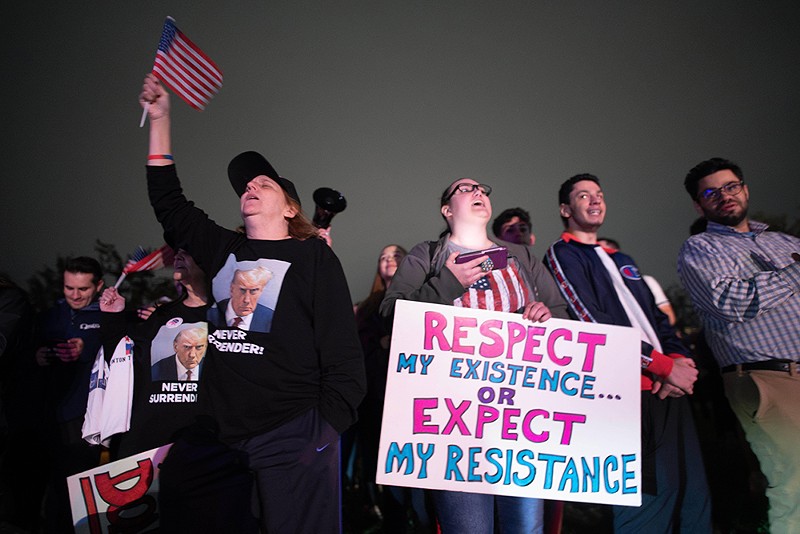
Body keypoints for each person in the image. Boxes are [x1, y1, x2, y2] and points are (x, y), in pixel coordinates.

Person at [139, 74, 366, 533]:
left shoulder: (313, 257)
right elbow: (169, 202)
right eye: (246, 185)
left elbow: (342, 351)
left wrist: (322, 431)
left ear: (288, 209)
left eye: (265, 183)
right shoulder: (225, 250)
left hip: (293, 431)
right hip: (221, 436)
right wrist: (160, 120)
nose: (251, 187)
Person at [380, 177, 569, 534]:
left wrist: (548, 315)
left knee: (525, 530)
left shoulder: (522, 257)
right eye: (465, 189)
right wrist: (448, 282)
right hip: (454, 423)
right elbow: (392, 312)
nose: (478, 192)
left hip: (520, 420)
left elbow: (563, 315)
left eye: (482, 188)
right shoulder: (428, 255)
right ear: (447, 210)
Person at [544, 173, 711, 533]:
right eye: (583, 195)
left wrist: (681, 360)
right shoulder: (563, 253)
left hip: (670, 386)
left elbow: (658, 321)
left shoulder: (623, 259)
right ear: (565, 209)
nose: (594, 200)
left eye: (599, 194)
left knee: (691, 496)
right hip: (626, 393)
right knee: (645, 504)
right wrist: (663, 366)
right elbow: (591, 321)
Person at [677, 157, 800, 533]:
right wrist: (795, 272)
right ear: (700, 205)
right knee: (795, 489)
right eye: (712, 193)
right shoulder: (701, 249)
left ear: (745, 189)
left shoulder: (786, 242)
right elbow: (732, 303)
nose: (725, 196)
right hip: (768, 376)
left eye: (731, 186)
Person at [99, 248, 210, 459]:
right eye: (176, 253)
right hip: (150, 438)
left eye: (187, 253)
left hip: (202, 439)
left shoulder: (224, 315)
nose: (177, 257)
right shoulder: (162, 315)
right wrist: (112, 318)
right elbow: (124, 362)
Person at [35, 257, 105, 532]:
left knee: (76, 489)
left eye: (83, 289)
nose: (75, 295)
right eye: (69, 288)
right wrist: (37, 355)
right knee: (45, 485)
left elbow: (119, 353)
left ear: (98, 286)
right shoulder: (49, 314)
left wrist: (85, 349)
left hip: (85, 418)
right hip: (48, 413)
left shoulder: (109, 315)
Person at [597, 237, 677, 326]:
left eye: (602, 251)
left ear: (615, 252)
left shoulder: (646, 282)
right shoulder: (596, 286)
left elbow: (669, 316)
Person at [207, 266, 274, 331]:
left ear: (261, 291)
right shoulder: (210, 314)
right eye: (242, 290)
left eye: (253, 291)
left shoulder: (271, 319)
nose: (246, 300)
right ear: (232, 289)